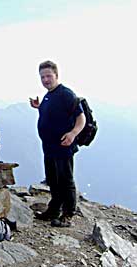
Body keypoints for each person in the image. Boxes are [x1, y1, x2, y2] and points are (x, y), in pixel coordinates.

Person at [29, 61, 86, 227]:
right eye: (42, 77)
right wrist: (39, 107)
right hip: (49, 147)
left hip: (63, 146)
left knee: (65, 180)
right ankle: (53, 210)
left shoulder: (66, 94)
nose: (45, 79)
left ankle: (68, 214)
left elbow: (80, 117)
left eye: (48, 76)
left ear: (56, 75)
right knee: (53, 180)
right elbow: (53, 114)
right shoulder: (48, 95)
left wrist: (73, 133)